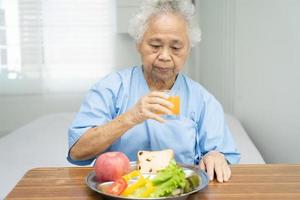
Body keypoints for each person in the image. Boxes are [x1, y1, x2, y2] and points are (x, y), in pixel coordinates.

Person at [67, 0, 240, 183]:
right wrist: (131, 117)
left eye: (175, 47)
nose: (164, 56)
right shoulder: (109, 88)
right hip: (121, 190)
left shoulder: (203, 99)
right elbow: (78, 151)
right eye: (155, 46)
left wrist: (215, 156)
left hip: (179, 189)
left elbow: (221, 153)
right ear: (139, 44)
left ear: (188, 49)